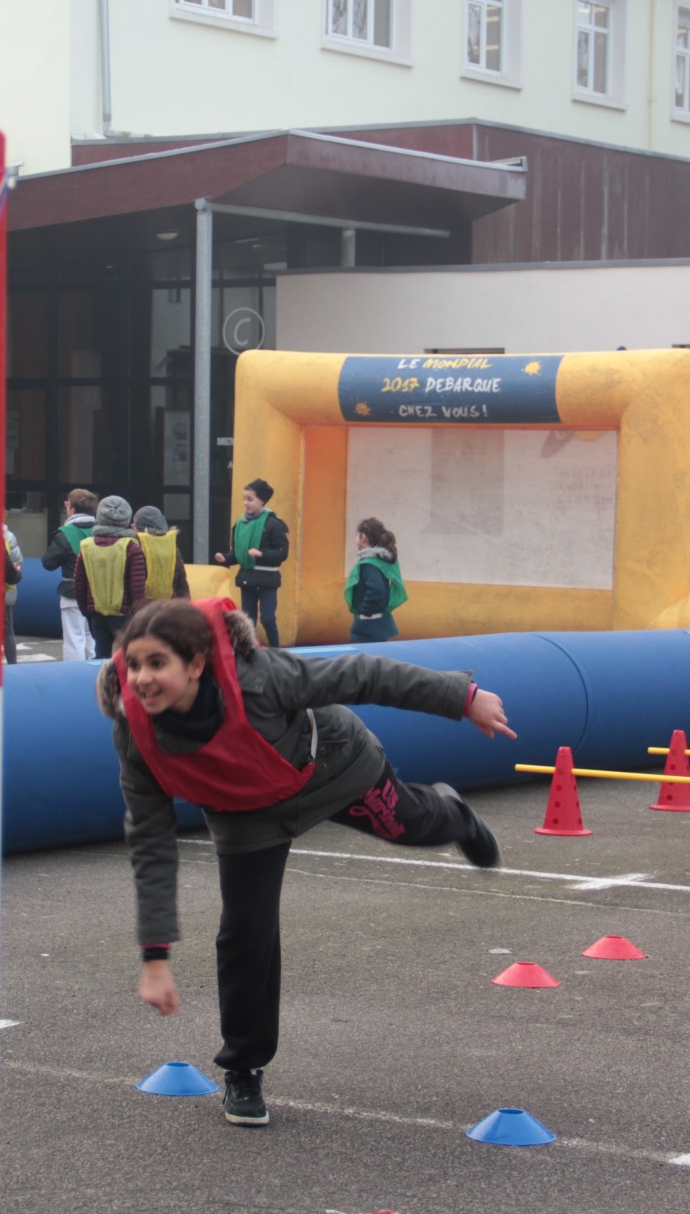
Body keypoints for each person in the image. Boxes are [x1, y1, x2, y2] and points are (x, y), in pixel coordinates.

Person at [96, 597, 513, 1127]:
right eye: (133, 665)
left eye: (157, 664)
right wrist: (155, 956)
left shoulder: (263, 680)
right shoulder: (137, 734)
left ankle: (454, 815)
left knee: (408, 825)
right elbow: (151, 843)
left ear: (196, 664)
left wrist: (462, 696)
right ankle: (243, 1068)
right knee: (246, 931)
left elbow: (366, 673)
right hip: (244, 811)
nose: (142, 679)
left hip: (329, 770)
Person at [212, 478, 287, 648]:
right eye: (244, 498)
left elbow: (282, 553)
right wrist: (226, 558)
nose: (246, 503)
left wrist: (261, 554)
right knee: (248, 620)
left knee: (268, 619)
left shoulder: (274, 524)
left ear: (262, 500)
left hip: (267, 579)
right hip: (247, 578)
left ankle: (276, 651)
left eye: (250, 499)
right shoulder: (240, 523)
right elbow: (238, 554)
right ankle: (249, 651)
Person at [73, 495, 147, 659]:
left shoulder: (86, 546)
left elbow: (79, 585)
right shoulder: (131, 547)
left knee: (100, 657)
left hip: (97, 615)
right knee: (129, 658)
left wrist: (87, 611)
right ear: (126, 518)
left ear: (100, 517)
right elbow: (137, 588)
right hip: (125, 616)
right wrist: (139, 617)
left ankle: (101, 684)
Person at [43, 489, 99, 661]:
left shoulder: (65, 534)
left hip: (72, 591)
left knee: (74, 637)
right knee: (92, 636)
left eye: (67, 505)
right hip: (99, 592)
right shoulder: (102, 531)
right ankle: (95, 674)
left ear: (72, 509)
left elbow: (48, 563)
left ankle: (75, 676)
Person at [346, 517, 407, 643]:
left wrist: (364, 610)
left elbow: (376, 590)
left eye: (357, 535)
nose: (356, 539)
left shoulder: (369, 565)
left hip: (367, 627)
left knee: (362, 660)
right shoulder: (380, 561)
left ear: (363, 537)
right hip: (378, 625)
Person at [134, 504, 190, 601]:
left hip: (144, 608)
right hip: (169, 606)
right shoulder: (172, 545)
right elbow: (182, 584)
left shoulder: (136, 545)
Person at [2, 519, 25, 665]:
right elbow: (16, 562)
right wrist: (16, 574)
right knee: (7, 631)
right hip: (4, 589)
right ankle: (12, 665)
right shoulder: (7, 536)